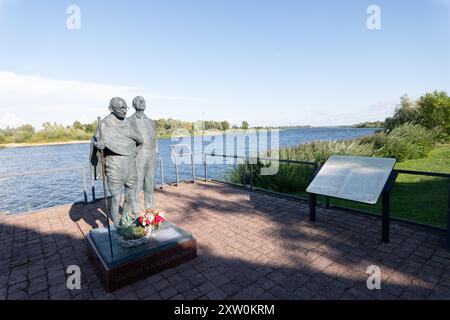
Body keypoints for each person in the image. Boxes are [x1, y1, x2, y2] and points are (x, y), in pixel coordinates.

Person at [90, 97, 144, 227]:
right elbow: (95, 141)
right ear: (111, 109)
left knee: (130, 196)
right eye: (121, 108)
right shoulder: (104, 124)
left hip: (130, 163)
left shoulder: (129, 123)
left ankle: (125, 220)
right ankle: (116, 226)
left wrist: (134, 152)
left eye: (126, 108)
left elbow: (140, 140)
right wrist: (99, 145)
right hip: (114, 163)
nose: (125, 110)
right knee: (115, 198)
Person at [128, 96, 158, 211]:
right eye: (138, 101)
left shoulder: (151, 122)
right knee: (137, 184)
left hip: (152, 156)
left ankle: (149, 209)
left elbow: (155, 137)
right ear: (133, 105)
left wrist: (156, 152)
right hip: (138, 155)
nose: (141, 102)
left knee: (149, 183)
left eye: (143, 101)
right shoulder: (129, 121)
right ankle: (135, 210)